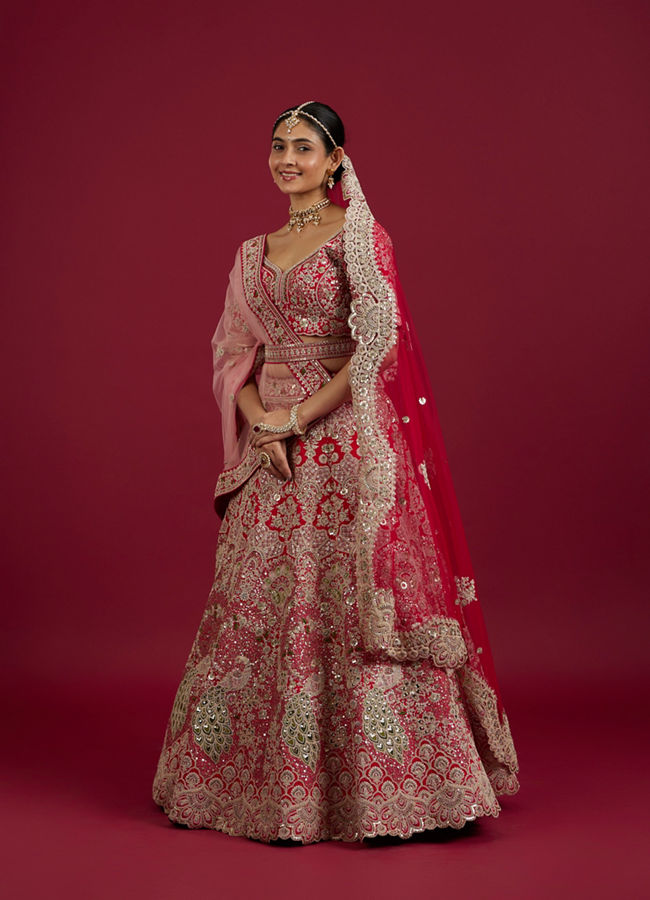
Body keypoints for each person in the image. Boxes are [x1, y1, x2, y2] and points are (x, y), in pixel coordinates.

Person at [152, 101, 520, 844]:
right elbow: (232, 352)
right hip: (273, 442)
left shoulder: (360, 235)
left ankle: (397, 794)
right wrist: (262, 424)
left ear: (336, 158)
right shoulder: (252, 252)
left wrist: (298, 419)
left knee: (356, 601)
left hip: (345, 437)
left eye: (304, 148)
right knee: (257, 601)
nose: (288, 159)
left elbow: (374, 344)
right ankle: (262, 789)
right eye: (278, 147)